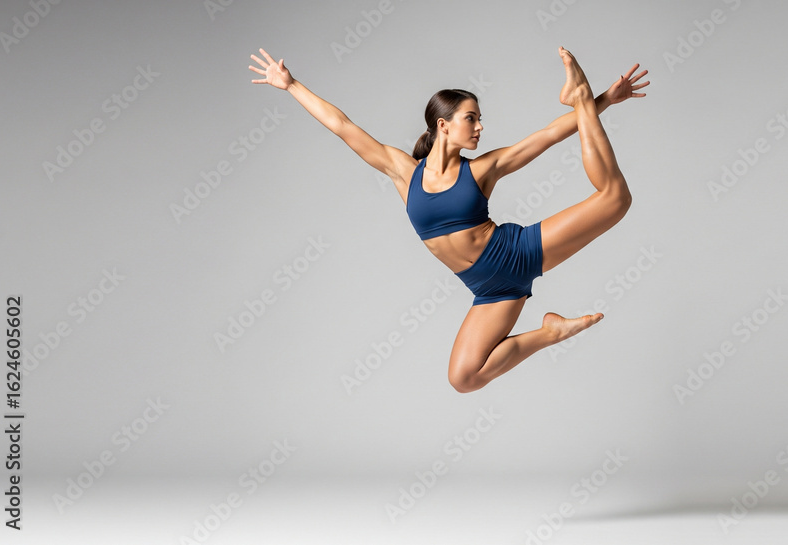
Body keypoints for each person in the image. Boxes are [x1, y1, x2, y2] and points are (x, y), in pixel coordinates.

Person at [249, 46, 647, 393]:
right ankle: (551, 332)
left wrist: (604, 99)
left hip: (516, 255)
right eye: (471, 118)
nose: (480, 126)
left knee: (615, 199)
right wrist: (290, 84)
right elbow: (342, 126)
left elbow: (546, 135)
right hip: (492, 292)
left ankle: (578, 95)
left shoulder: (481, 170)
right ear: (444, 125)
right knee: (464, 378)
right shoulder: (404, 172)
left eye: (479, 119)